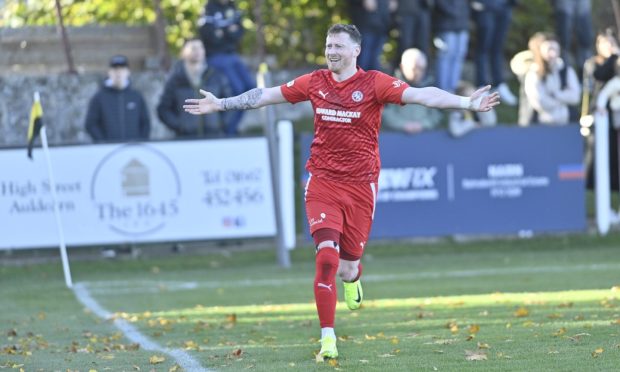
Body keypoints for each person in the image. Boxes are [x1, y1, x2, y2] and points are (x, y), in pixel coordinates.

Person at [183, 23, 499, 360]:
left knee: (347, 266)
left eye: (338, 46)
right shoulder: (315, 82)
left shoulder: (374, 83)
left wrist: (467, 102)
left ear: (355, 51)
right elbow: (267, 95)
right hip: (322, 182)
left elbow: (423, 94)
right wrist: (222, 104)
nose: (332, 51)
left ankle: (354, 277)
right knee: (326, 258)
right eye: (328, 45)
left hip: (361, 187)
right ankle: (328, 338)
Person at [198, 0, 256, 135]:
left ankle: (232, 126)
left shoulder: (232, 6)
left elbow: (239, 32)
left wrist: (223, 31)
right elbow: (209, 36)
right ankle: (228, 129)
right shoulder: (209, 8)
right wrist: (229, 30)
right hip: (215, 56)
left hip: (232, 54)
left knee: (251, 89)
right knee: (239, 90)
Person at [157, 39, 232, 137]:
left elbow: (229, 103)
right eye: (193, 48)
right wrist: (179, 126)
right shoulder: (175, 79)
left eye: (200, 47)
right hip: (186, 139)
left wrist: (220, 124)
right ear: (183, 52)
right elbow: (163, 109)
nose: (197, 51)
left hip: (214, 137)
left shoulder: (216, 76)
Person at [85, 55, 150, 142]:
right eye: (115, 69)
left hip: (132, 151)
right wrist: (103, 142)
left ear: (128, 72)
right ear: (109, 72)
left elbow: (145, 123)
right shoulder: (99, 98)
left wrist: (139, 143)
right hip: (108, 151)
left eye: (122, 69)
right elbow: (91, 124)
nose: (118, 73)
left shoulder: (136, 97)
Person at [523, 32, 581, 125]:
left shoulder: (566, 70)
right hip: (541, 124)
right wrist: (563, 100)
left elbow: (575, 97)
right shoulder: (534, 73)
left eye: (555, 49)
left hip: (566, 121)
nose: (553, 53)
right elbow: (540, 101)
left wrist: (555, 95)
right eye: (549, 49)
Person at [382, 48, 443, 133]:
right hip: (396, 138)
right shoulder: (391, 86)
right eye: (414, 68)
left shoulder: (431, 86)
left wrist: (422, 124)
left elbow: (436, 114)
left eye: (421, 69)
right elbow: (385, 112)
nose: (418, 72)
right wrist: (403, 125)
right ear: (402, 66)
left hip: (424, 138)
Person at [471, 0, 518, 105]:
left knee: (498, 49)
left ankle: (499, 84)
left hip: (505, 7)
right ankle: (481, 85)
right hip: (485, 7)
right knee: (482, 48)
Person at [432, 0, 470, 93]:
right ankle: (442, 91)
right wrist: (455, 12)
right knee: (445, 58)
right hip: (445, 25)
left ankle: (452, 89)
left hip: (462, 25)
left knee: (458, 57)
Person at [348, 0, 397, 71]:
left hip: (383, 23)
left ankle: (371, 80)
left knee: (375, 60)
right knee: (364, 59)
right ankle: (360, 80)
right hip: (364, 22)